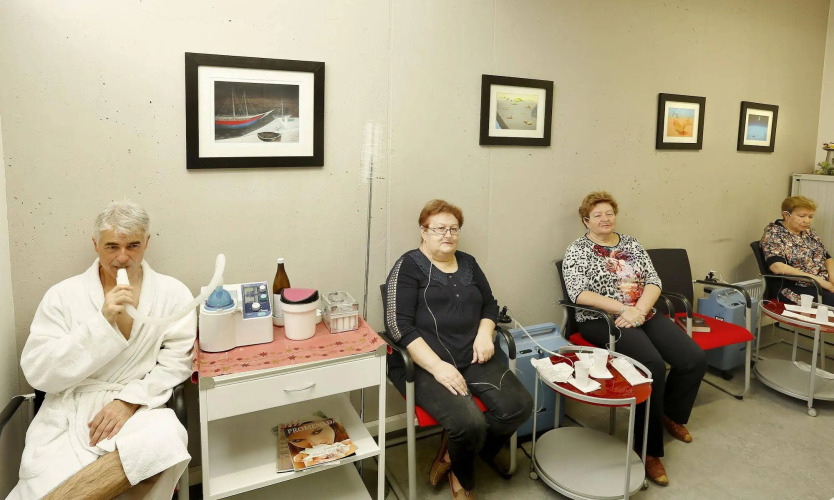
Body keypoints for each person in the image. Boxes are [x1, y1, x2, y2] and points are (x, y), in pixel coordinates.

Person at [9, 200, 197, 500]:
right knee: (47, 479)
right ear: (95, 244)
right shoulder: (62, 296)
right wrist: (101, 323)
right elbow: (37, 370)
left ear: (146, 242)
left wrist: (129, 402)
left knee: (167, 438)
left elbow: (176, 363)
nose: (122, 257)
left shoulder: (172, 294)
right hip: (70, 410)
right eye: (112, 247)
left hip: (136, 405)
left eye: (133, 245)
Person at [384, 199, 532, 499]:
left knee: (519, 407)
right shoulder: (408, 266)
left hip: (471, 354)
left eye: (453, 229)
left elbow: (490, 305)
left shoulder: (468, 263)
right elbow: (397, 326)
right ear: (423, 231)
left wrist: (485, 333)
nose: (447, 235)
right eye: (439, 228)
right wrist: (437, 367)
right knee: (468, 423)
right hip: (424, 363)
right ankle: (463, 478)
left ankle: (455, 456)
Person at [562, 191, 706, 487]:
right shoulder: (577, 250)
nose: (605, 219)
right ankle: (648, 450)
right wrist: (623, 309)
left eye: (609, 213)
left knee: (693, 358)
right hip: (601, 320)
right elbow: (579, 294)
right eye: (597, 215)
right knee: (652, 367)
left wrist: (638, 310)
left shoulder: (631, 243)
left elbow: (654, 281)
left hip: (642, 312)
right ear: (586, 220)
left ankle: (669, 414)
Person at [760, 195, 834, 305]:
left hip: (821, 282)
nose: (807, 221)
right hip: (793, 288)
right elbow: (777, 267)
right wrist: (818, 281)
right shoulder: (774, 234)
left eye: (810, 216)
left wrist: (832, 277)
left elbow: (826, 257)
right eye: (802, 216)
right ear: (786, 215)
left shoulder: (808, 232)